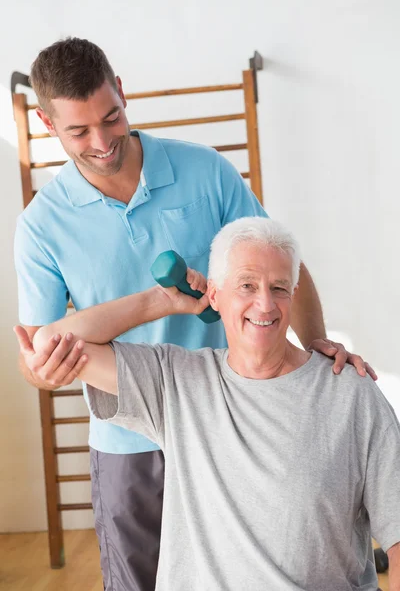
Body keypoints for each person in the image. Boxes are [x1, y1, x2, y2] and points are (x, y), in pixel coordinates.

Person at [14, 37, 375, 590]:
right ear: (45, 122)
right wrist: (55, 362)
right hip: (128, 442)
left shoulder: (204, 171)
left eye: (111, 118)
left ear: (123, 94)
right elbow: (39, 358)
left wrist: (318, 340)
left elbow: (280, 261)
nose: (103, 141)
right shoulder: (41, 225)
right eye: (79, 131)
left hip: (227, 424)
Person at [22, 217, 400, 591]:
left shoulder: (351, 393)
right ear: (215, 296)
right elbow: (50, 342)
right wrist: (159, 301)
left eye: (279, 287)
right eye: (247, 285)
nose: (265, 304)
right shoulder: (176, 380)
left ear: (294, 293)